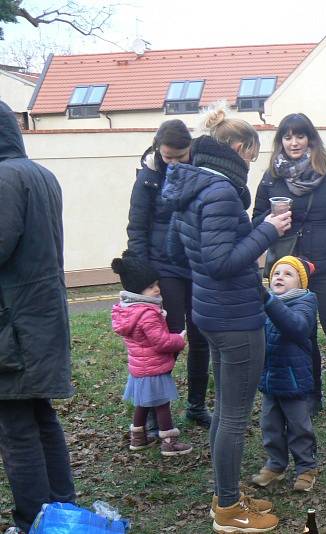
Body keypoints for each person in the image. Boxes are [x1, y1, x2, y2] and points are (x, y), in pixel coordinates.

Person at [163, 104, 287, 533]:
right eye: (252, 155)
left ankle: (226, 493)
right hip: (234, 316)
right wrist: (268, 229)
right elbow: (221, 261)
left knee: (223, 412)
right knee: (234, 416)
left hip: (211, 312)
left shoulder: (189, 186)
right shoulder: (219, 192)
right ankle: (230, 511)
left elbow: (181, 252)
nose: (251, 165)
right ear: (237, 148)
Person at [253, 113, 326, 425]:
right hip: (291, 266)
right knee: (301, 335)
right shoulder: (272, 177)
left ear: (311, 138)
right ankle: (312, 396)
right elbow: (256, 218)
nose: (294, 142)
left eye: (300, 136)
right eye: (288, 137)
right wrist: (270, 224)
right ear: (280, 140)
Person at [0, 100, 75, 534]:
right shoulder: (40, 174)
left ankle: (33, 521)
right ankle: (61, 512)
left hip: (13, 324)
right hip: (39, 316)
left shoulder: (5, 179)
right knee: (39, 416)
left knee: (15, 427)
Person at [127, 119, 212, 429]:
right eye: (168, 157)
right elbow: (137, 227)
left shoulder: (203, 170)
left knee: (200, 335)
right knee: (168, 336)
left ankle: (196, 406)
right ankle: (150, 410)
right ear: (158, 150)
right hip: (164, 267)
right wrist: (143, 274)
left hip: (197, 264)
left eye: (181, 156)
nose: (175, 162)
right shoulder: (148, 178)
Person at [111, 253, 193, 456]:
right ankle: (169, 442)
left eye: (156, 284)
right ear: (137, 290)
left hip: (139, 367)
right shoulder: (147, 313)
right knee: (161, 403)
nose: (156, 289)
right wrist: (179, 340)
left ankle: (138, 438)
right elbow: (161, 341)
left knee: (142, 402)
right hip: (153, 367)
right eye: (150, 287)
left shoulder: (129, 310)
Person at [252, 256, 319, 493]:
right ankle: (276, 464)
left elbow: (297, 327)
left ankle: (306, 468)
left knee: (299, 427)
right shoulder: (265, 302)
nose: (279, 276)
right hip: (270, 378)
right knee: (270, 425)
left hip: (293, 379)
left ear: (301, 283)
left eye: (288, 274)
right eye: (276, 272)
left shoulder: (304, 302)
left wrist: (269, 301)